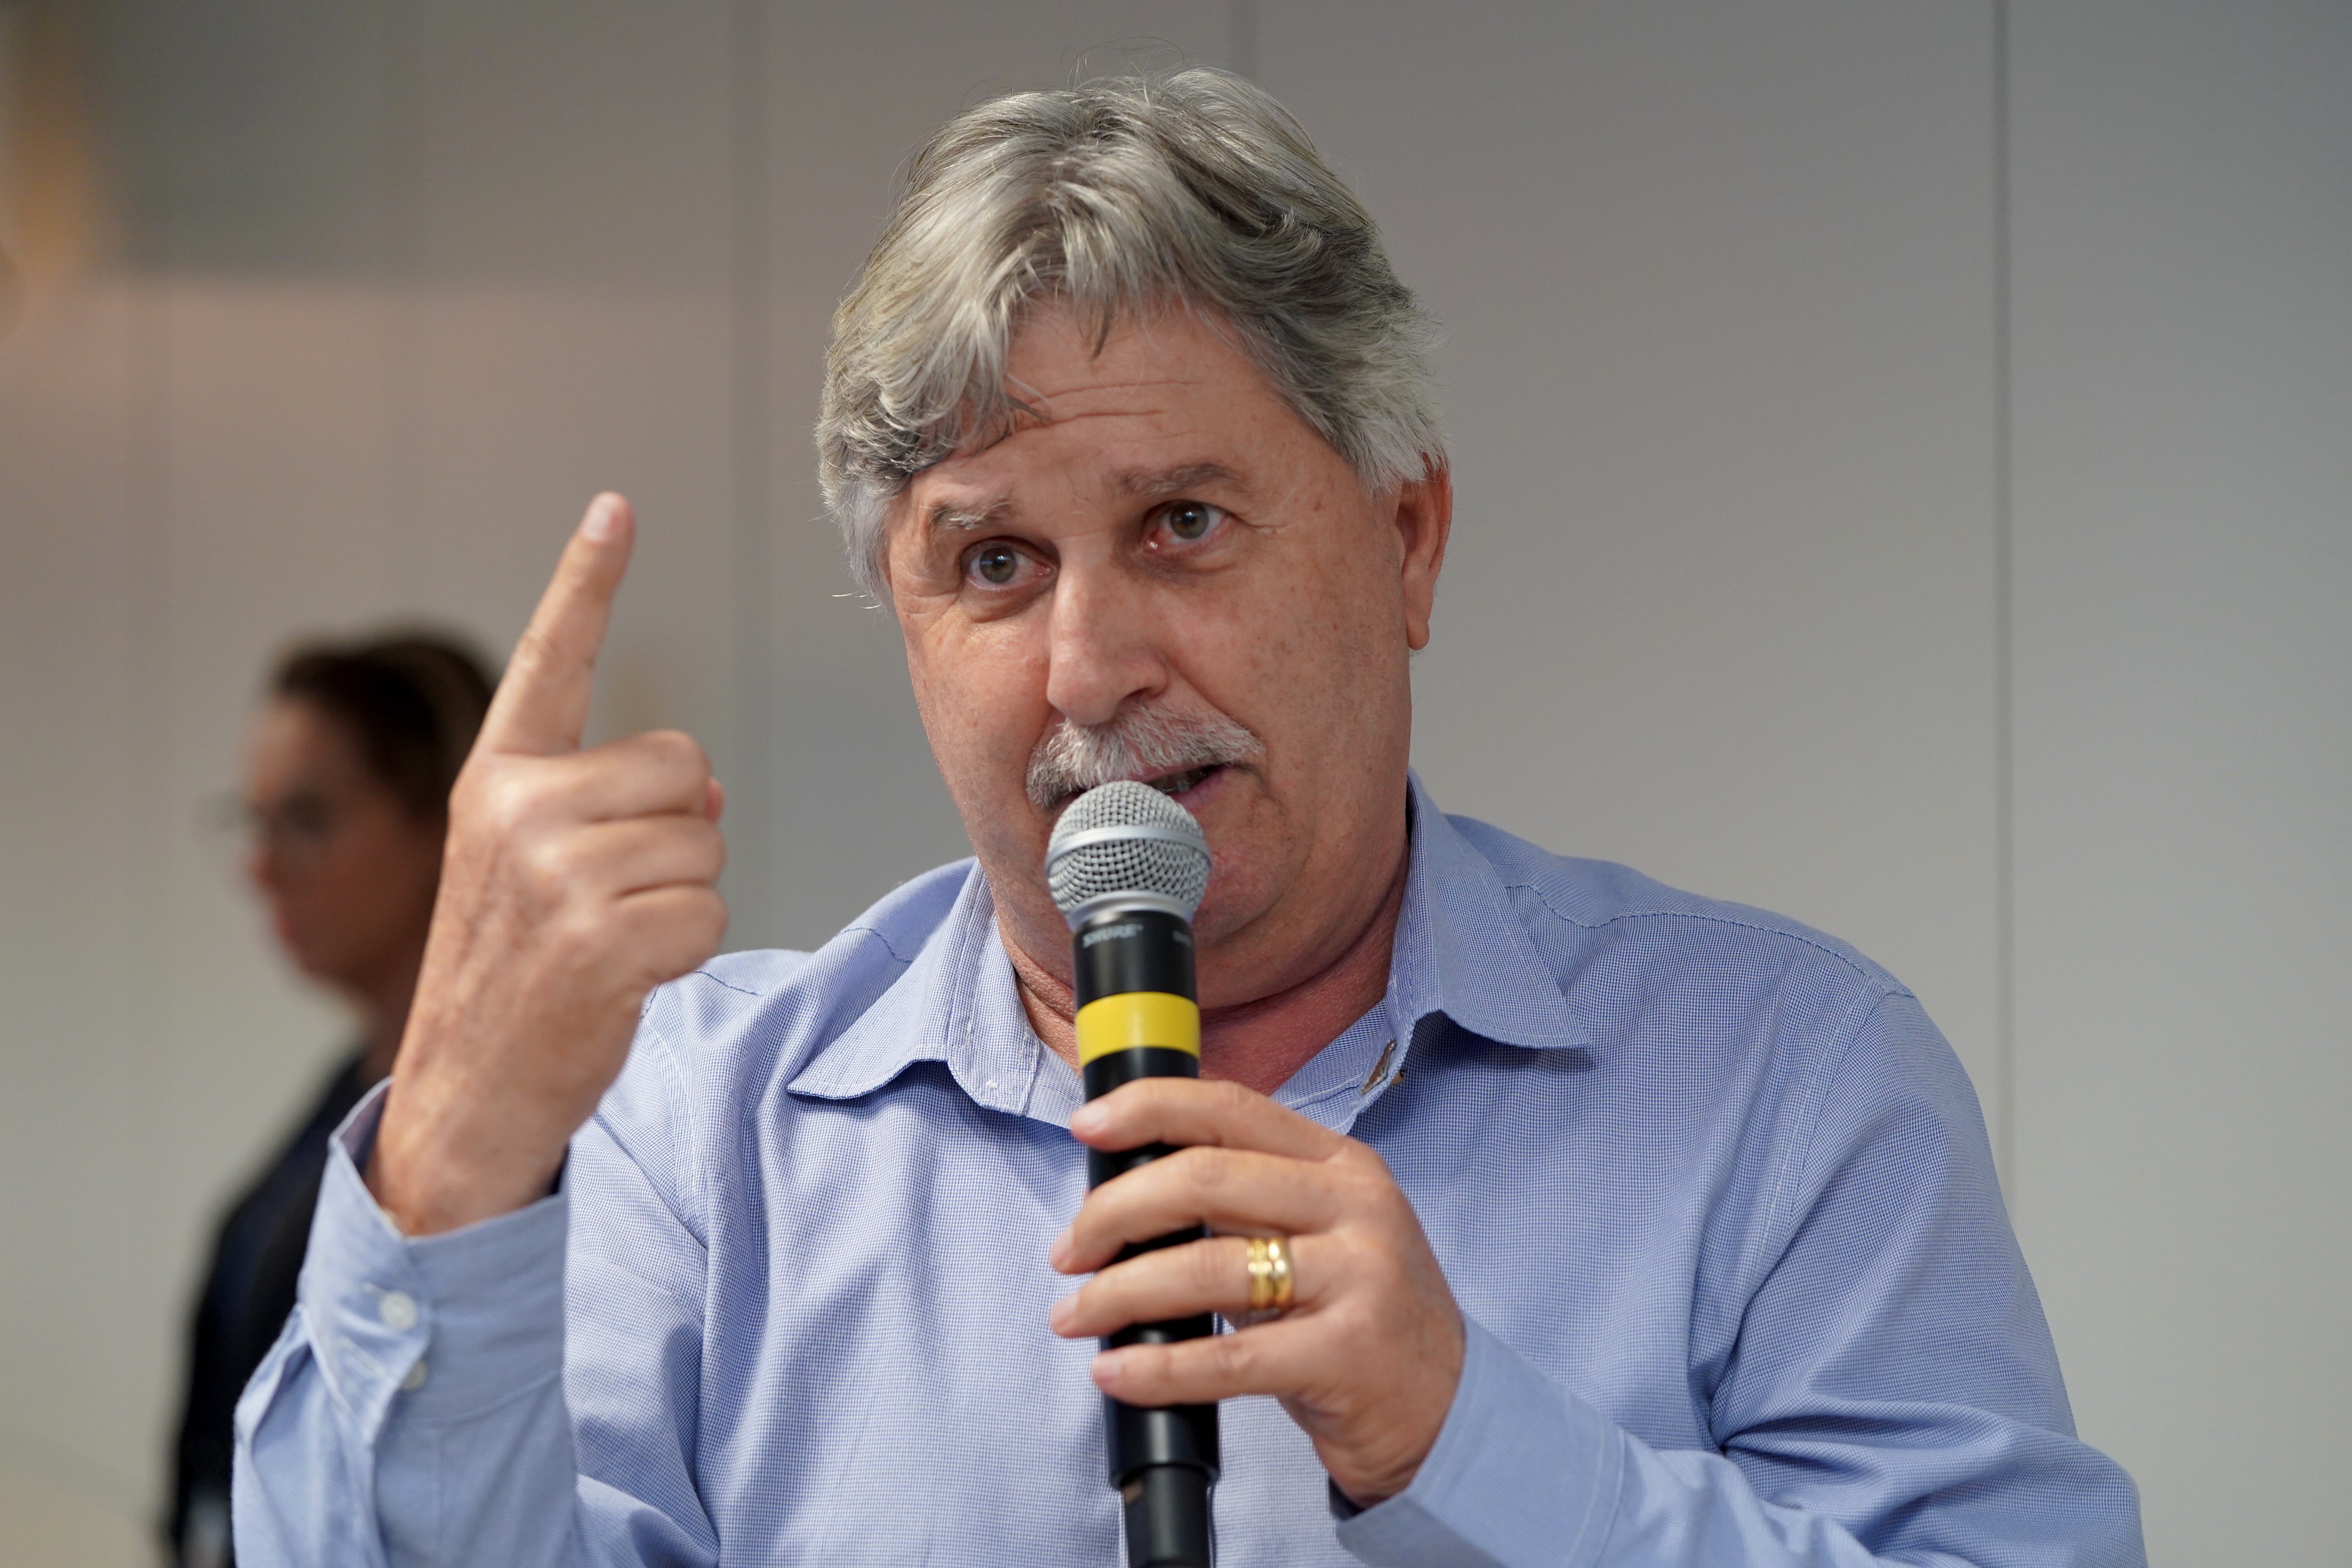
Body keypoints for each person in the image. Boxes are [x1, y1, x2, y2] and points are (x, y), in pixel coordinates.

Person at [233, 71, 2145, 1566]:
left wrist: (1469, 1439)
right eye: (992, 562)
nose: (1089, 669)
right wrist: (456, 1152)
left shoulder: (1786, 1076)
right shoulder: (694, 1134)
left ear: (1407, 539)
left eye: (1183, 524)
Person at [168, 633, 493, 1568]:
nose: (260, 868)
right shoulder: (351, 1088)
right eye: (254, 821)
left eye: (307, 820)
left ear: (447, 824)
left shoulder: (517, 1134)